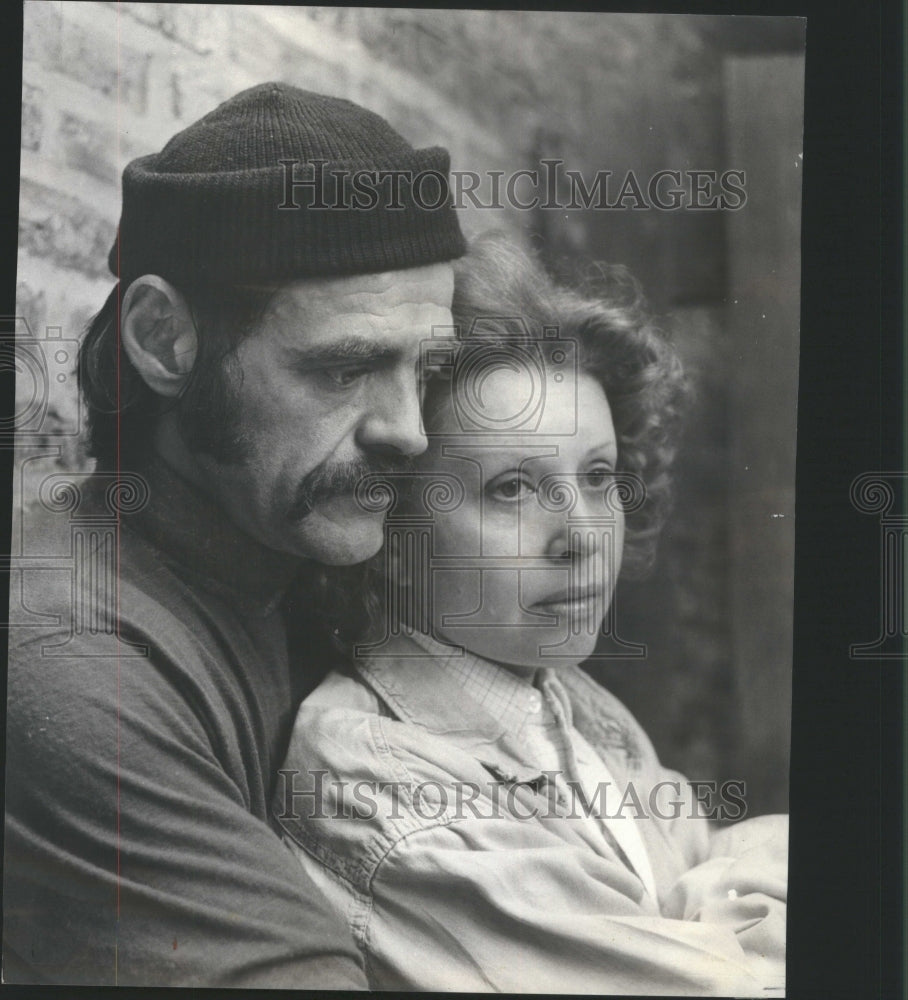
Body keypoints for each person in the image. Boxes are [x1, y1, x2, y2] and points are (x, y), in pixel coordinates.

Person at [4, 82, 466, 987]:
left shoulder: (293, 562)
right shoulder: (65, 658)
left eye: (431, 369)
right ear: (165, 340)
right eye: (346, 366)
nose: (409, 430)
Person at [274, 235, 788, 994]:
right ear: (385, 523)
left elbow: (725, 855)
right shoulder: (367, 777)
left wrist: (702, 911)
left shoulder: (572, 704)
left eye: (599, 476)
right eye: (512, 488)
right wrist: (705, 908)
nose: (582, 536)